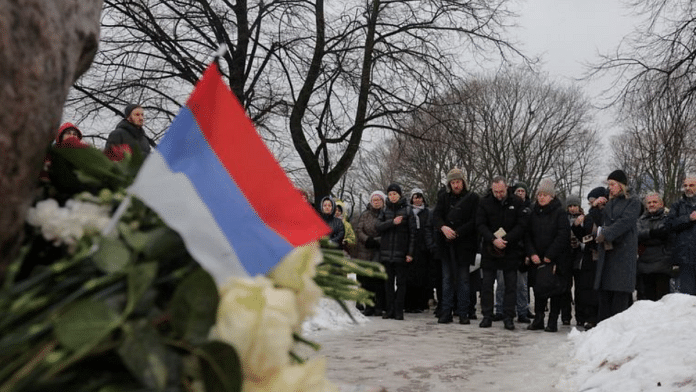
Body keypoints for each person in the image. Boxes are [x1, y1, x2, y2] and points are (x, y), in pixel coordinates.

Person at [476, 176, 529, 330]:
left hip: (510, 249)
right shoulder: (484, 202)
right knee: (486, 285)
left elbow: (521, 225)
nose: (498, 194)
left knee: (510, 286)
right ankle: (487, 315)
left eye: (501, 191)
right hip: (489, 249)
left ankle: (508, 317)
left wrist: (506, 239)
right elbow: (480, 224)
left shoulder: (517, 202)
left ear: (507, 188)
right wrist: (493, 239)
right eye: (495, 191)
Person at [433, 169, 479, 324]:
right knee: (446, 280)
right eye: (453, 182)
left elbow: (475, 220)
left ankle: (463, 312)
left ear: (463, 182)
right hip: (446, 245)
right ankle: (446, 312)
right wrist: (443, 228)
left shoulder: (472, 198)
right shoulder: (443, 198)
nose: (456, 185)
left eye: (458, 182)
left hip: (464, 245)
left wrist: (457, 232)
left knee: (464, 280)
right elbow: (436, 216)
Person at [524, 179, 571, 332]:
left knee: (555, 290)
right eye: (539, 194)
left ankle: (552, 320)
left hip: (556, 259)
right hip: (537, 259)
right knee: (539, 290)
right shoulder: (533, 212)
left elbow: (563, 235)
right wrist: (532, 253)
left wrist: (550, 254)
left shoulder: (560, 213)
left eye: (545, 195)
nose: (541, 197)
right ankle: (538, 319)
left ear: (552, 196)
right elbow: (527, 235)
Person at [594, 170, 641, 322]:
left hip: (623, 252)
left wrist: (606, 234)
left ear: (621, 185)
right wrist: (596, 207)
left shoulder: (633, 201)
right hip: (608, 253)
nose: (610, 188)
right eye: (609, 185)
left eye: (613, 184)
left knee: (619, 297)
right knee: (605, 296)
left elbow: (625, 222)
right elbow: (603, 221)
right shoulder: (610, 202)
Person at [494, 181, 533, 324]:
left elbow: (529, 233)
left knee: (522, 285)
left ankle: (523, 311)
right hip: (504, 248)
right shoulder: (505, 206)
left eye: (523, 191)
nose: (521, 194)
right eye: (518, 191)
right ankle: (499, 310)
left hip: (522, 251)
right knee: (502, 283)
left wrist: (529, 252)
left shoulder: (530, 209)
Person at [376, 183, 416, 320]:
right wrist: (392, 222)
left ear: (400, 195)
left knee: (401, 283)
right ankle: (389, 310)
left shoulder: (408, 210)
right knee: (388, 284)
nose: (392, 197)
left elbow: (413, 234)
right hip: (386, 253)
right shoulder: (384, 210)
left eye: (395, 194)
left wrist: (410, 253)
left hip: (401, 253)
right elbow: (378, 226)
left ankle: (399, 310)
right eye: (390, 194)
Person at [571, 186, 607, 329]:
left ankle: (596, 317)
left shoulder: (603, 213)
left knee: (597, 289)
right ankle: (586, 316)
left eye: (593, 201)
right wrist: (576, 226)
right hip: (588, 256)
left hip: (600, 255)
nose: (591, 204)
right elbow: (583, 237)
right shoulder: (588, 217)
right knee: (585, 288)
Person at [404, 188, 437, 313]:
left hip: (424, 248)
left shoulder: (428, 212)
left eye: (419, 197)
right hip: (411, 247)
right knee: (410, 277)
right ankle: (409, 303)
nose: (417, 200)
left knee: (423, 277)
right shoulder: (408, 212)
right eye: (415, 197)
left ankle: (421, 302)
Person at [636, 192, 673, 301]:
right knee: (646, 302)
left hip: (663, 264)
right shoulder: (640, 220)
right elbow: (637, 235)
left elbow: (668, 236)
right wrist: (653, 233)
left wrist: (646, 237)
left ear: (661, 204)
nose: (652, 204)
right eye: (649, 202)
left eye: (655, 202)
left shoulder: (668, 218)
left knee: (662, 301)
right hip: (644, 265)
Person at [355, 191, 387, 316]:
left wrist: (376, 241)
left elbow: (387, 231)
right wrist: (367, 239)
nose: (376, 202)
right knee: (366, 280)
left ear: (383, 201)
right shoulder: (365, 215)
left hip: (379, 250)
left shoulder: (385, 214)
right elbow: (359, 229)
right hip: (365, 250)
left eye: (379, 200)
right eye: (374, 200)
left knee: (378, 280)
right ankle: (368, 306)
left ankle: (379, 306)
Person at [666, 175, 696, 296]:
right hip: (685, 257)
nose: (688, 188)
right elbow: (669, 225)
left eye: (691, 185)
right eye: (685, 185)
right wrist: (688, 218)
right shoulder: (677, 205)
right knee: (687, 298)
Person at [563, 195, 584, 326]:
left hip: (579, 255)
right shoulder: (563, 219)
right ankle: (566, 316)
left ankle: (580, 316)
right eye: (570, 206)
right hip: (566, 255)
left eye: (574, 206)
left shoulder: (584, 218)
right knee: (565, 288)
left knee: (580, 288)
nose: (572, 208)